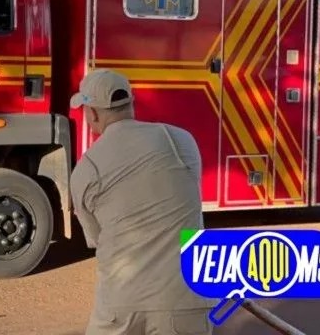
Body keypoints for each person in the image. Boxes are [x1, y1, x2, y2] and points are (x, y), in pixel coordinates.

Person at [69, 68, 215, 335]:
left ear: (93, 114)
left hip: (121, 306)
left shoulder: (86, 169)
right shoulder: (179, 140)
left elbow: (98, 239)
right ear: (131, 103)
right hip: (185, 300)